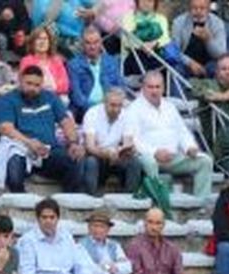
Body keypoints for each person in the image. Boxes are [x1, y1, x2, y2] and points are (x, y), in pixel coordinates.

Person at [0, 67, 93, 193]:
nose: (32, 88)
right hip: (21, 149)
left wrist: (73, 143)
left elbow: (66, 122)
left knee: (75, 159)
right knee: (14, 169)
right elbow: (6, 128)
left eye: (37, 85)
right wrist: (29, 142)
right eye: (29, 83)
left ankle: (68, 198)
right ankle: (21, 200)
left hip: (48, 150)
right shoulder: (6, 100)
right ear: (20, 80)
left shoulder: (50, 97)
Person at [125, 70, 214, 198]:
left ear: (163, 88)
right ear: (143, 88)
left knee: (205, 161)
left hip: (173, 157)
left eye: (157, 87)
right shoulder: (134, 109)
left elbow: (182, 132)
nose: (154, 91)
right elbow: (132, 140)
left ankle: (201, 202)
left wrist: (189, 147)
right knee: (150, 162)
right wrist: (155, 152)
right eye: (150, 87)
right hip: (149, 157)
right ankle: (159, 201)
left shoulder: (170, 107)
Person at [84, 88, 142, 194]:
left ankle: (129, 196)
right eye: (113, 105)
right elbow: (90, 146)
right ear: (104, 103)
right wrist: (105, 153)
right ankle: (92, 194)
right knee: (91, 162)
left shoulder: (127, 115)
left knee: (134, 162)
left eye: (119, 105)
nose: (116, 109)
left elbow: (127, 142)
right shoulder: (92, 113)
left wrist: (125, 151)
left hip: (117, 156)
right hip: (98, 155)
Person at [68, 26, 125, 122]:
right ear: (82, 44)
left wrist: (113, 104)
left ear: (101, 42)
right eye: (88, 43)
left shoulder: (111, 61)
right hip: (86, 110)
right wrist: (98, 110)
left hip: (111, 107)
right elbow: (76, 96)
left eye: (96, 42)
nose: (92, 46)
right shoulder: (73, 64)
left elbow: (121, 86)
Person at [172, 0, 227, 79]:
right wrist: (190, 63)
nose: (198, 12)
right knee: (176, 68)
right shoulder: (178, 22)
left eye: (202, 8)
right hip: (186, 62)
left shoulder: (217, 23)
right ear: (189, 8)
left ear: (208, 9)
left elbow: (221, 54)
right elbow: (175, 51)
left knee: (219, 68)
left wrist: (208, 40)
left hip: (209, 62)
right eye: (194, 8)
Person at [18, 26, 67, 97]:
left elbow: (65, 85)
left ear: (49, 42)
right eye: (38, 39)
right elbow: (26, 84)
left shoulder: (57, 60)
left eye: (45, 39)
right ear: (32, 43)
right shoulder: (26, 61)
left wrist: (52, 90)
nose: (42, 42)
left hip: (57, 96)